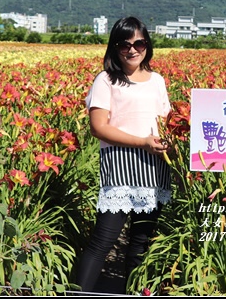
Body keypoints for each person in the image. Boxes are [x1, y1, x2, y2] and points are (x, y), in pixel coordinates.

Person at [75, 16, 171, 294]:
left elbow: (164, 122)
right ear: (114, 47)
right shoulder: (106, 80)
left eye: (139, 43)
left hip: (154, 166)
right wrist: (142, 142)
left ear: (147, 45)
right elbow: (98, 127)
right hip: (120, 166)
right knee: (103, 241)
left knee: (140, 243)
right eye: (124, 44)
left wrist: (170, 147)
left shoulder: (157, 81)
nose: (132, 49)